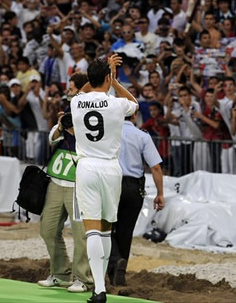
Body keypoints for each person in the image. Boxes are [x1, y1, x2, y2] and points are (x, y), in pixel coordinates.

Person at [71, 55, 139, 303]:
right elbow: (135, 104)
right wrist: (115, 81)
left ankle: (98, 289)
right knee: (107, 230)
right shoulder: (116, 103)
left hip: (86, 167)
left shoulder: (76, 103)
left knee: (91, 232)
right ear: (108, 79)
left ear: (89, 79)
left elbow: (85, 89)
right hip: (110, 168)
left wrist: (100, 76)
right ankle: (102, 287)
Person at [37, 72, 93, 293]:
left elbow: (96, 141)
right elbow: (51, 138)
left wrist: (76, 131)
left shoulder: (93, 111)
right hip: (57, 180)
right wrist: (62, 127)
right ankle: (60, 273)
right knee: (47, 229)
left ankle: (84, 278)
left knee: (81, 234)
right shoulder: (68, 111)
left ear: (82, 90)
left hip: (79, 182)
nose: (68, 92)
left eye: (71, 89)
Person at [108, 113, 165, 286]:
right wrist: (160, 193)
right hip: (134, 188)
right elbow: (155, 166)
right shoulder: (142, 136)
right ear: (134, 116)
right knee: (125, 231)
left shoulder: (108, 132)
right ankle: (119, 273)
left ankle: (115, 260)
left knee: (105, 228)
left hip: (111, 183)